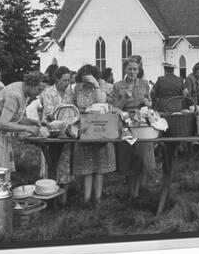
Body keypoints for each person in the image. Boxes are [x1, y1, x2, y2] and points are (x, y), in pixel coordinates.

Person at [111, 57, 156, 199]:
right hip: (126, 123)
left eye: (135, 69)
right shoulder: (118, 86)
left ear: (139, 70)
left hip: (141, 122)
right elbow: (114, 108)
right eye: (129, 68)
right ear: (125, 69)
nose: (132, 71)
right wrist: (124, 97)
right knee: (128, 156)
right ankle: (131, 192)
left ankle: (138, 191)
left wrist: (147, 102)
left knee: (141, 156)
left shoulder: (144, 84)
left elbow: (150, 102)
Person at [71, 64, 116, 204]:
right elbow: (74, 108)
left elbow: (102, 101)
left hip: (99, 127)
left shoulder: (99, 89)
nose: (86, 83)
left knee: (100, 166)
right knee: (87, 167)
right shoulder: (77, 90)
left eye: (89, 79)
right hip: (84, 127)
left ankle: (97, 198)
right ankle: (86, 198)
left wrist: (96, 85)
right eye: (84, 79)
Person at [39, 66, 73, 186]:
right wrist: (62, 120)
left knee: (65, 162)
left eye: (68, 80)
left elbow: (73, 110)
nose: (66, 83)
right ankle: (49, 188)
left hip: (66, 133)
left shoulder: (70, 92)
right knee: (52, 161)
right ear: (57, 79)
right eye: (64, 80)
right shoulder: (48, 93)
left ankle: (63, 197)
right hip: (51, 132)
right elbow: (49, 113)